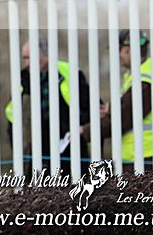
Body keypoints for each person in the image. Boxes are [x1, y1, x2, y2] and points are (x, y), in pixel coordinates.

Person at [81, 29, 153, 172]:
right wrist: (110, 109)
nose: (117, 55)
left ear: (129, 50)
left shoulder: (143, 80)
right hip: (143, 156)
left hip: (148, 159)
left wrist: (85, 131)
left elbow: (122, 117)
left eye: (119, 49)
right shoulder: (137, 76)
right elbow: (127, 108)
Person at [5, 37, 92, 176]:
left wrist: (76, 129)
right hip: (34, 153)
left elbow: (91, 107)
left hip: (69, 151)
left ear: (46, 55)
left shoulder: (68, 72)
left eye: (30, 58)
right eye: (24, 58)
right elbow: (12, 116)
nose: (27, 63)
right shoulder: (22, 80)